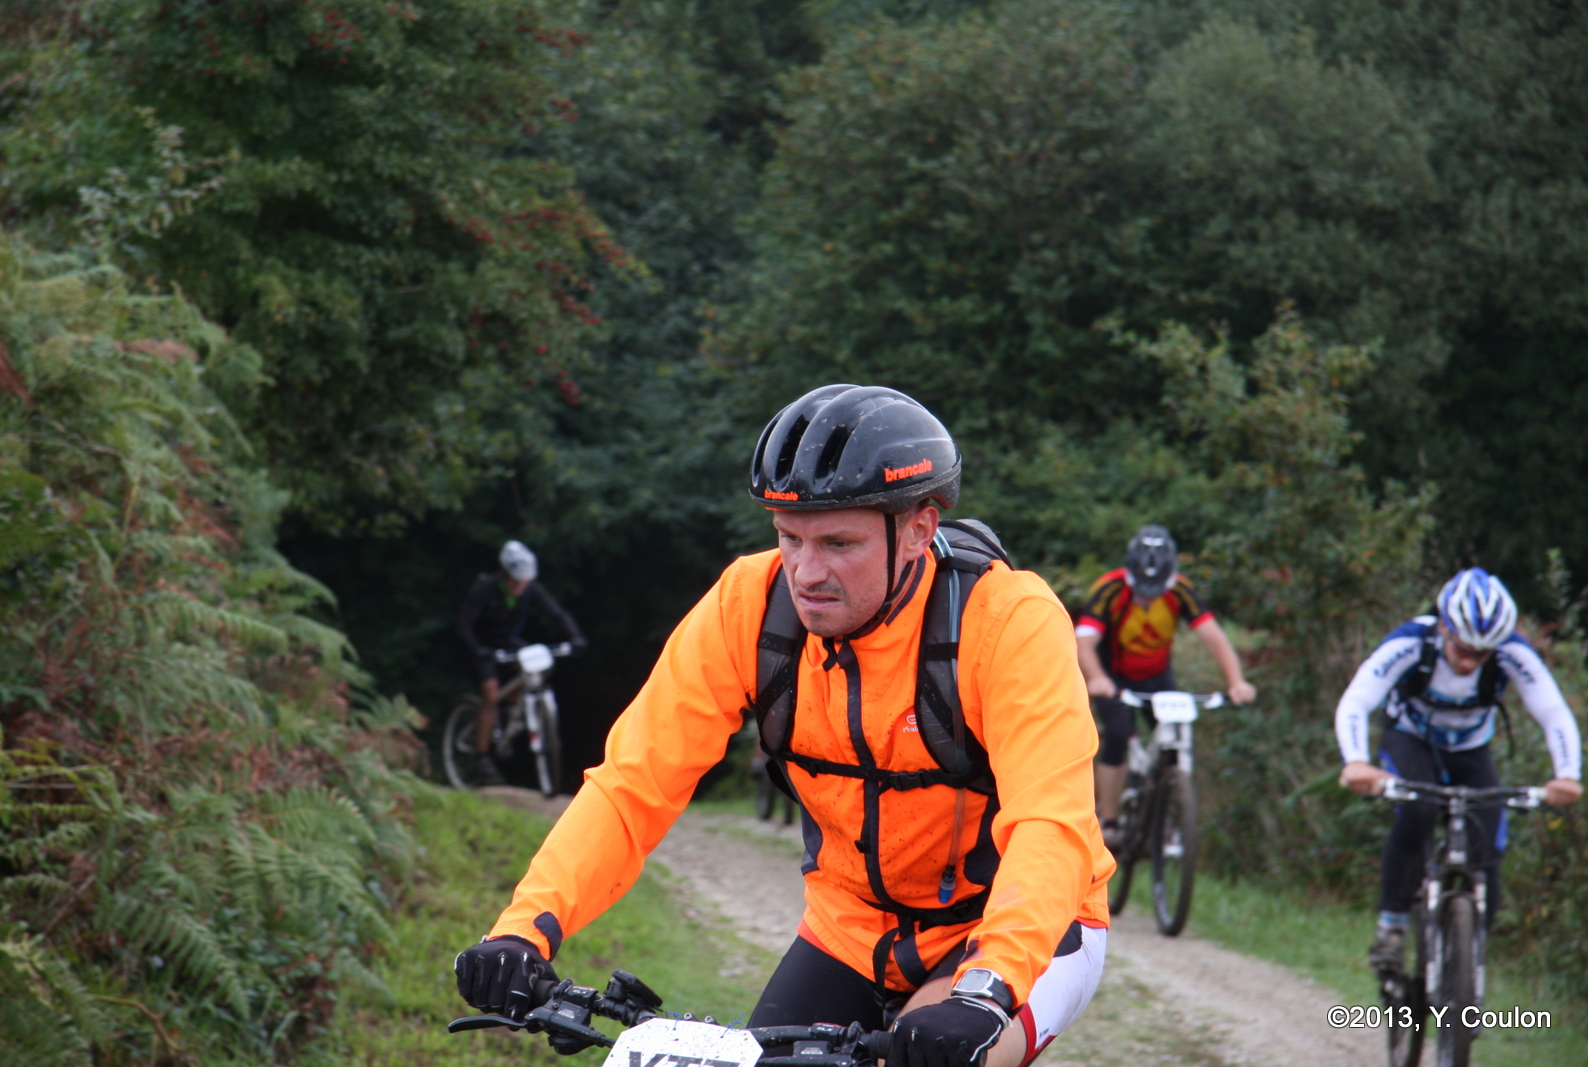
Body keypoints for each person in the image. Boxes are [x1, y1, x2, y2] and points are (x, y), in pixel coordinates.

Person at [453, 385, 1113, 1067]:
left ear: (919, 530)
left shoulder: (1006, 621)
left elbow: (1048, 822)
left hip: (1015, 931)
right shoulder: (750, 605)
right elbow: (632, 784)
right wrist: (523, 931)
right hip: (850, 931)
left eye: (839, 543)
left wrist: (988, 985)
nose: (806, 571)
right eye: (789, 537)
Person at [1335, 567, 1582, 972]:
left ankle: (1471, 959)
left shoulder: (1512, 651)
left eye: (1481, 655)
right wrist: (1357, 762)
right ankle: (1392, 927)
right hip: (1409, 739)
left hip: (1470, 750)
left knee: (1490, 843)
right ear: (1445, 629)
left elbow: (1553, 712)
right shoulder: (1410, 642)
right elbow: (1357, 700)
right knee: (1418, 811)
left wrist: (1568, 774)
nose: (1469, 662)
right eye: (1463, 650)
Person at [1075, 525, 1257, 846]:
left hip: (1158, 676)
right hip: (1112, 676)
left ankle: (1167, 813)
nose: (1148, 596)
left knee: (1174, 734)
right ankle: (1110, 821)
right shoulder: (1110, 589)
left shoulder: (1181, 591)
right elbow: (1084, 642)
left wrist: (1236, 682)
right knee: (1117, 734)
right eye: (1142, 589)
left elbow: (1215, 638)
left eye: (1156, 589)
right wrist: (1097, 678)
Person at [455, 540, 587, 783]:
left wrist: (575, 637)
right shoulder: (485, 588)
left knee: (533, 668)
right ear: (503, 574)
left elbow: (557, 614)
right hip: (482, 648)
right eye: (514, 580)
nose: (519, 585)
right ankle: (482, 756)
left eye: (524, 580)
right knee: (491, 693)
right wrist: (477, 650)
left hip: (509, 645)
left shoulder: (531, 589)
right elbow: (463, 624)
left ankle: (507, 715)